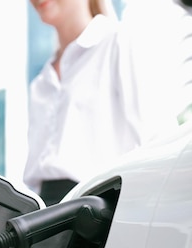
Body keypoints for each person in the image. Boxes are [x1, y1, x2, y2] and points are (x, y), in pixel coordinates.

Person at [23, 0, 178, 206]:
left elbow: (161, 141)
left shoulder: (120, 42)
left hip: (100, 214)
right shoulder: (41, 83)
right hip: (43, 216)